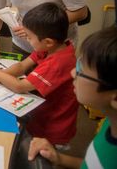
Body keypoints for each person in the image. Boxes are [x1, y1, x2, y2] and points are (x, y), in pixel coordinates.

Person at [0, 2, 78, 145]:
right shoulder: (53, 47)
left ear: (48, 41)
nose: (27, 40)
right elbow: (22, 66)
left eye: (29, 37)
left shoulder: (58, 63)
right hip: (40, 115)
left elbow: (20, 86)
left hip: (53, 129)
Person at [28, 26, 117, 169]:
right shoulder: (110, 123)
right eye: (78, 64)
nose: (72, 73)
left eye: (81, 72)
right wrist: (58, 158)